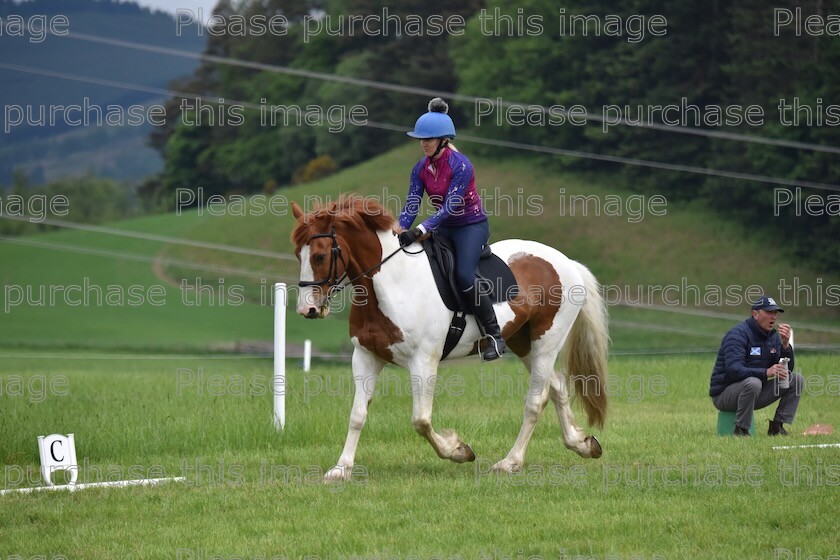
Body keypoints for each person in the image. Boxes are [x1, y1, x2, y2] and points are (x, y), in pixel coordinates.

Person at [397, 97, 505, 360]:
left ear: (443, 140)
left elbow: (449, 207)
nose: (423, 143)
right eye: (421, 139)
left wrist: (420, 229)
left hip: (470, 227)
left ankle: (495, 335)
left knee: (464, 276)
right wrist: (399, 228)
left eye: (428, 139)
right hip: (443, 227)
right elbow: (412, 202)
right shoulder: (420, 168)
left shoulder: (462, 166)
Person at [709, 295, 802, 436]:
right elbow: (733, 370)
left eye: (775, 313)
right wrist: (766, 372)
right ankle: (741, 430)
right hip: (724, 395)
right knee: (754, 382)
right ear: (755, 314)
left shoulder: (773, 337)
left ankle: (777, 427)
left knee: (795, 380)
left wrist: (785, 346)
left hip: (754, 393)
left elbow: (786, 371)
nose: (774, 317)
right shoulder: (737, 335)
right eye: (769, 312)